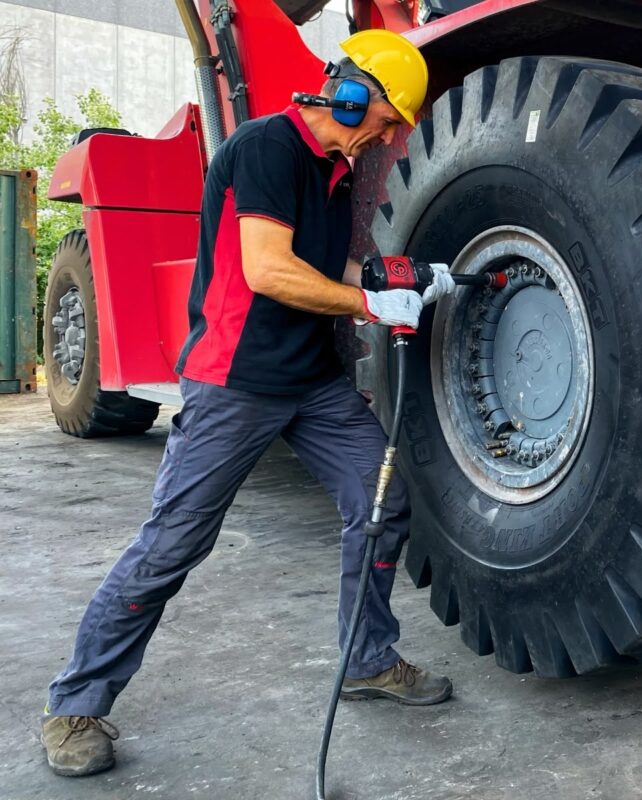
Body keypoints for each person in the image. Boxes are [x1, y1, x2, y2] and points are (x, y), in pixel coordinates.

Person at [40, 29, 451, 778]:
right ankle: (75, 704)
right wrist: (369, 305)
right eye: (386, 119)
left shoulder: (332, 169)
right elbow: (268, 270)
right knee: (175, 542)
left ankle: (367, 659)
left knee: (381, 501)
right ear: (349, 95)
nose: (387, 135)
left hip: (310, 382)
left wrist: (407, 276)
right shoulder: (268, 147)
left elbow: (330, 263)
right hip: (235, 381)